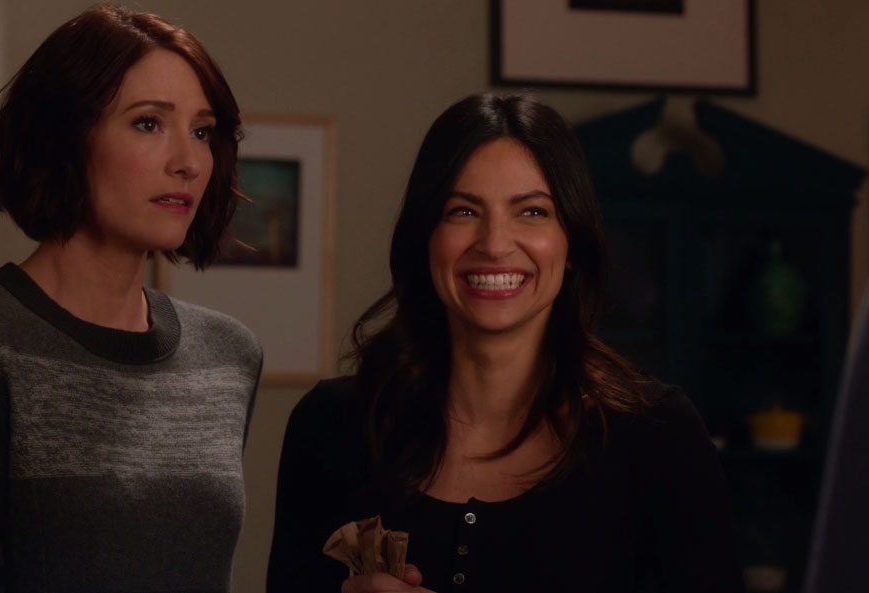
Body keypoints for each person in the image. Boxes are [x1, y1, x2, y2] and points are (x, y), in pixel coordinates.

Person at [266, 93, 742, 593]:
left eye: (532, 212)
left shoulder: (658, 436)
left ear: (572, 242)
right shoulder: (330, 425)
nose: (494, 244)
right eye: (463, 211)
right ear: (425, 239)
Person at [0, 5, 261, 592]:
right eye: (148, 123)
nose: (188, 162)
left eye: (202, 132)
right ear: (65, 138)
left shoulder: (228, 353)